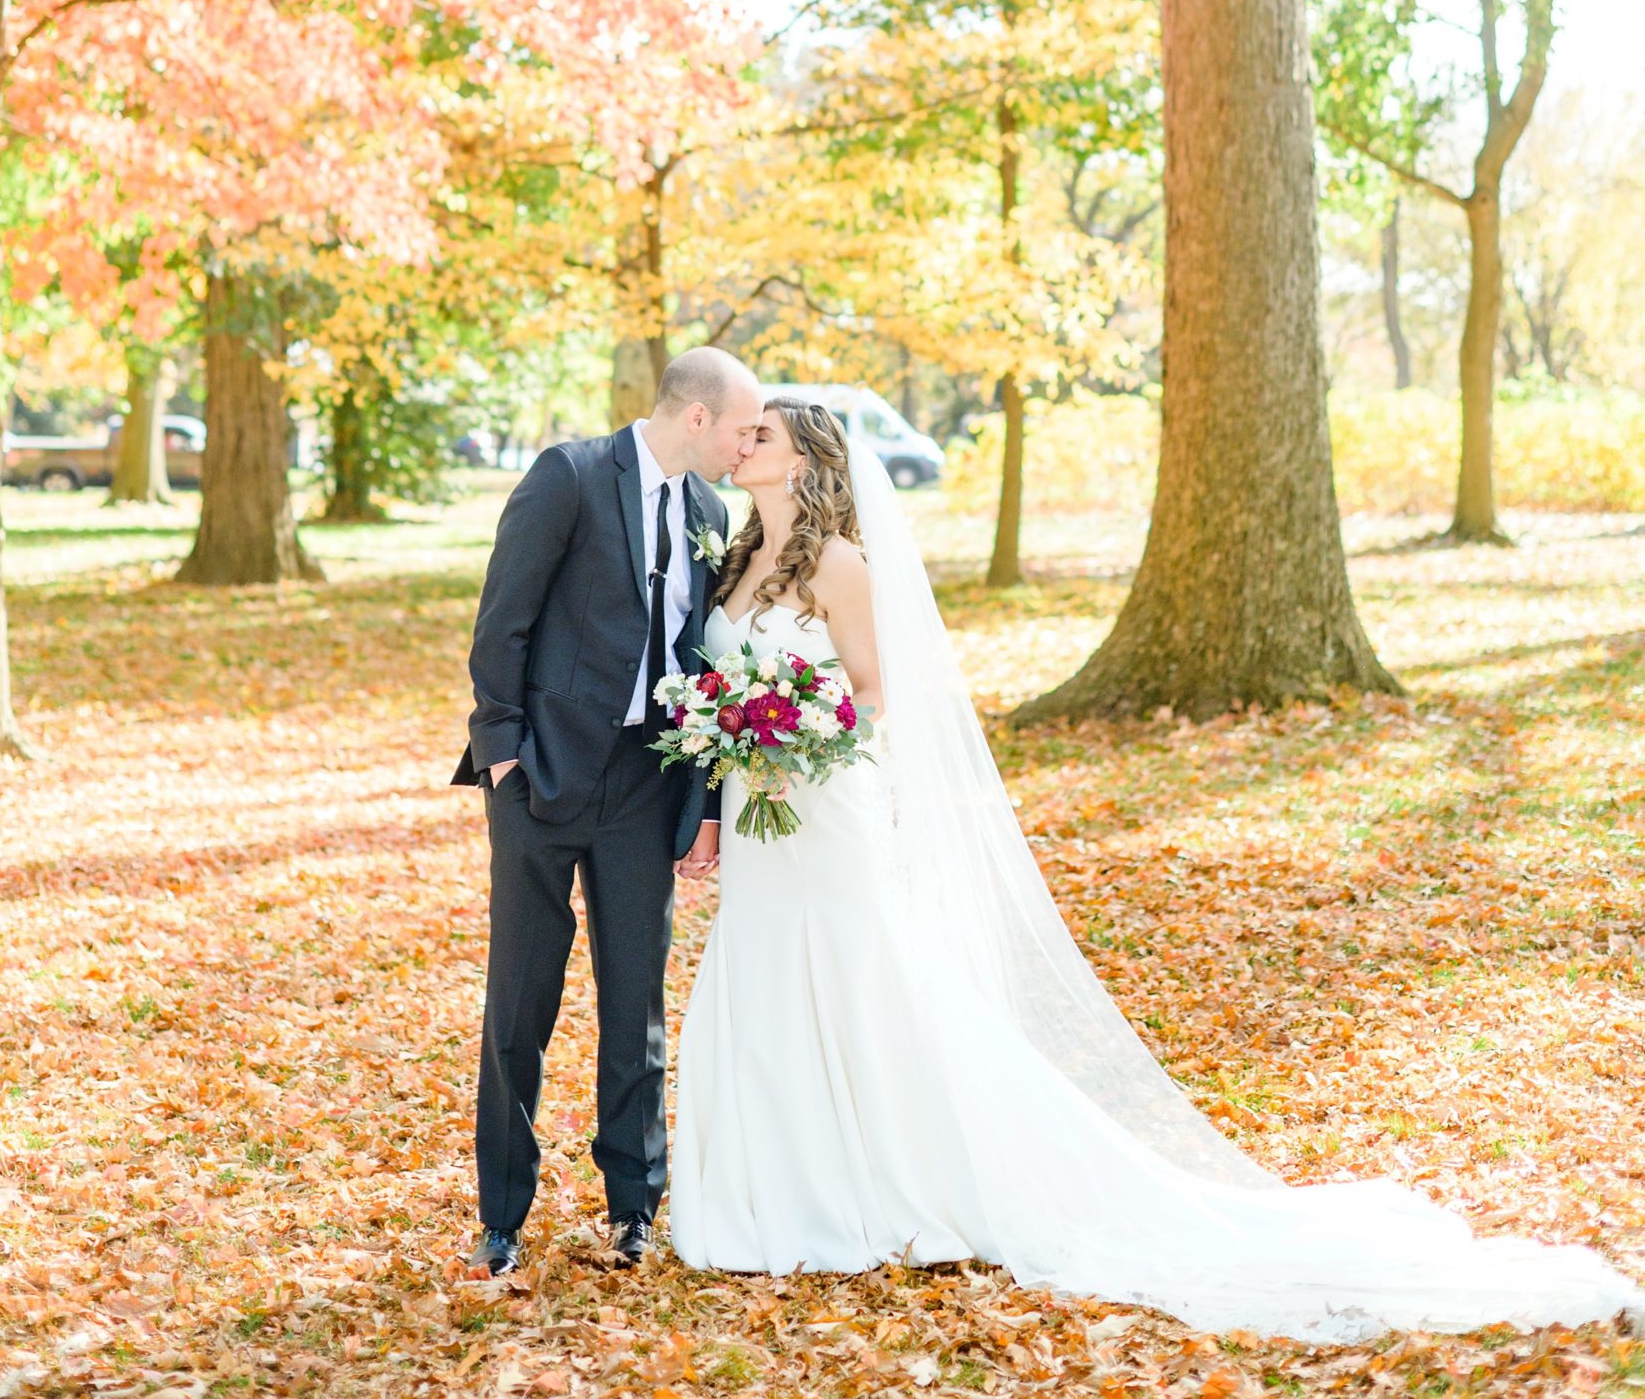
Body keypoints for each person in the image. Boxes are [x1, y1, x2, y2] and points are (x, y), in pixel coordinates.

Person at [670, 398, 1643, 1344]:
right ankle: (777, 1184)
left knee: (854, 973)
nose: (744, 438)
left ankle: (883, 1178)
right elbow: (720, 684)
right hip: (761, 821)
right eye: (744, 429)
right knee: (761, 973)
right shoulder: (735, 560)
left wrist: (799, 732)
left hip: (826, 807)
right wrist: (730, 761)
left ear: (803, 459)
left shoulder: (841, 565)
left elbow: (877, 693)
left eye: (764, 432)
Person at [454, 347, 761, 1276]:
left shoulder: (711, 512)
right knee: (521, 1002)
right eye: (744, 427)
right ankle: (501, 1214)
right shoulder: (571, 475)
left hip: (642, 783)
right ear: (697, 416)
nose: (749, 446)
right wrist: (501, 752)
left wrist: (700, 800)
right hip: (540, 780)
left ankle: (635, 1205)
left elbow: (708, 668)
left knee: (636, 1005)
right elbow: (503, 617)